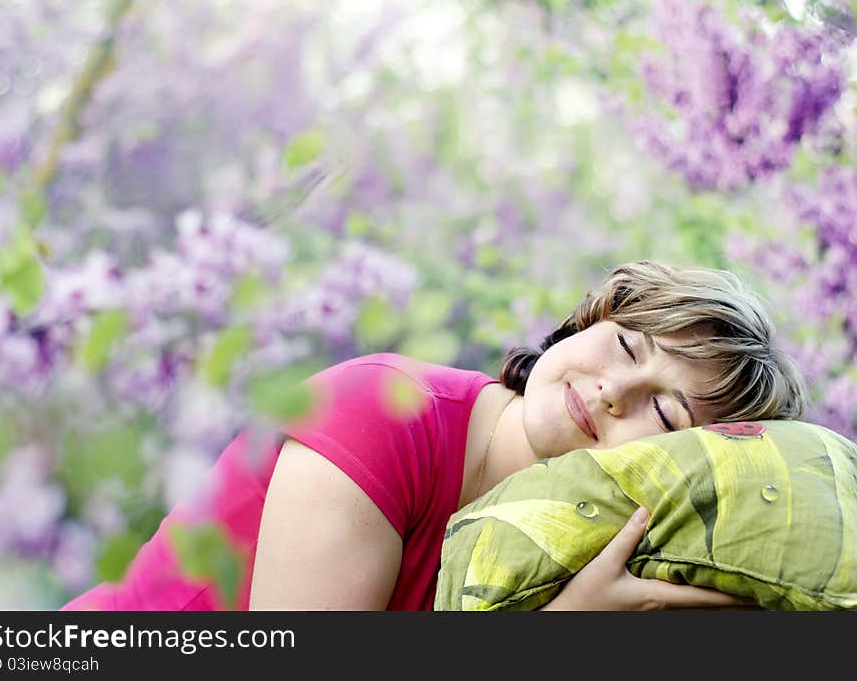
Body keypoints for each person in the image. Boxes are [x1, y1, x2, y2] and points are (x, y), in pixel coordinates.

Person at [59, 260, 808, 611]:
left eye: (666, 413)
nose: (614, 390)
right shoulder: (386, 413)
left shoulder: (603, 548)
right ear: (592, 317)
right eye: (626, 346)